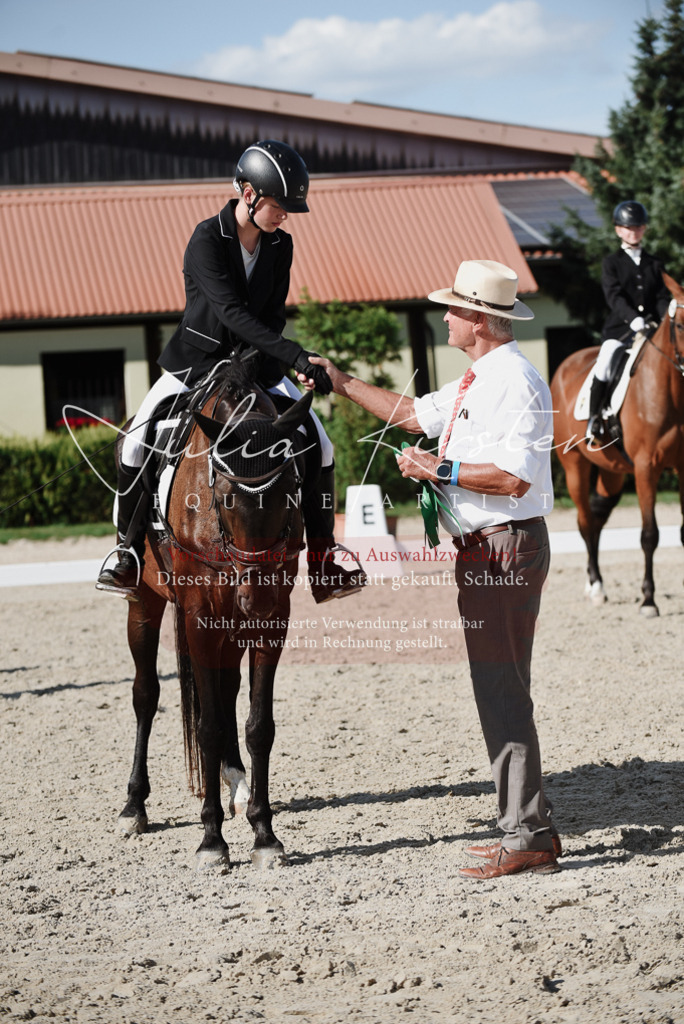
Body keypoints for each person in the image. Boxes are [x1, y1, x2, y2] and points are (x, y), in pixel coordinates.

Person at [310, 259, 561, 879]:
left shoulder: (516, 381)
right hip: (485, 548)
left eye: (453, 309)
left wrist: (438, 471)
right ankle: (529, 827)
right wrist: (342, 383)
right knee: (499, 687)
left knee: (501, 688)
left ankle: (526, 832)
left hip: (504, 546)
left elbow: (515, 477)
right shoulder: (480, 379)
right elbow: (414, 416)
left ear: (479, 318)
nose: (444, 317)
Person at [96, 139, 366, 605]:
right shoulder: (206, 239)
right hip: (194, 365)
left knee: (321, 443)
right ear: (248, 193)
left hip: (256, 370)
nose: (284, 216)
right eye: (279, 206)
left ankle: (324, 558)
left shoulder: (281, 244)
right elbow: (230, 312)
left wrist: (286, 363)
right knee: (137, 440)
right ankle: (126, 552)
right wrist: (297, 355)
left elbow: (271, 317)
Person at [588, 200, 670, 439]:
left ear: (644, 229)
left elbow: (663, 297)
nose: (633, 232)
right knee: (604, 364)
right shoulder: (611, 263)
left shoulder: (655, 263)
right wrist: (633, 318)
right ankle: (595, 418)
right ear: (618, 230)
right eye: (628, 227)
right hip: (621, 330)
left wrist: (664, 318)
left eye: (637, 227)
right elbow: (614, 296)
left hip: (653, 329)